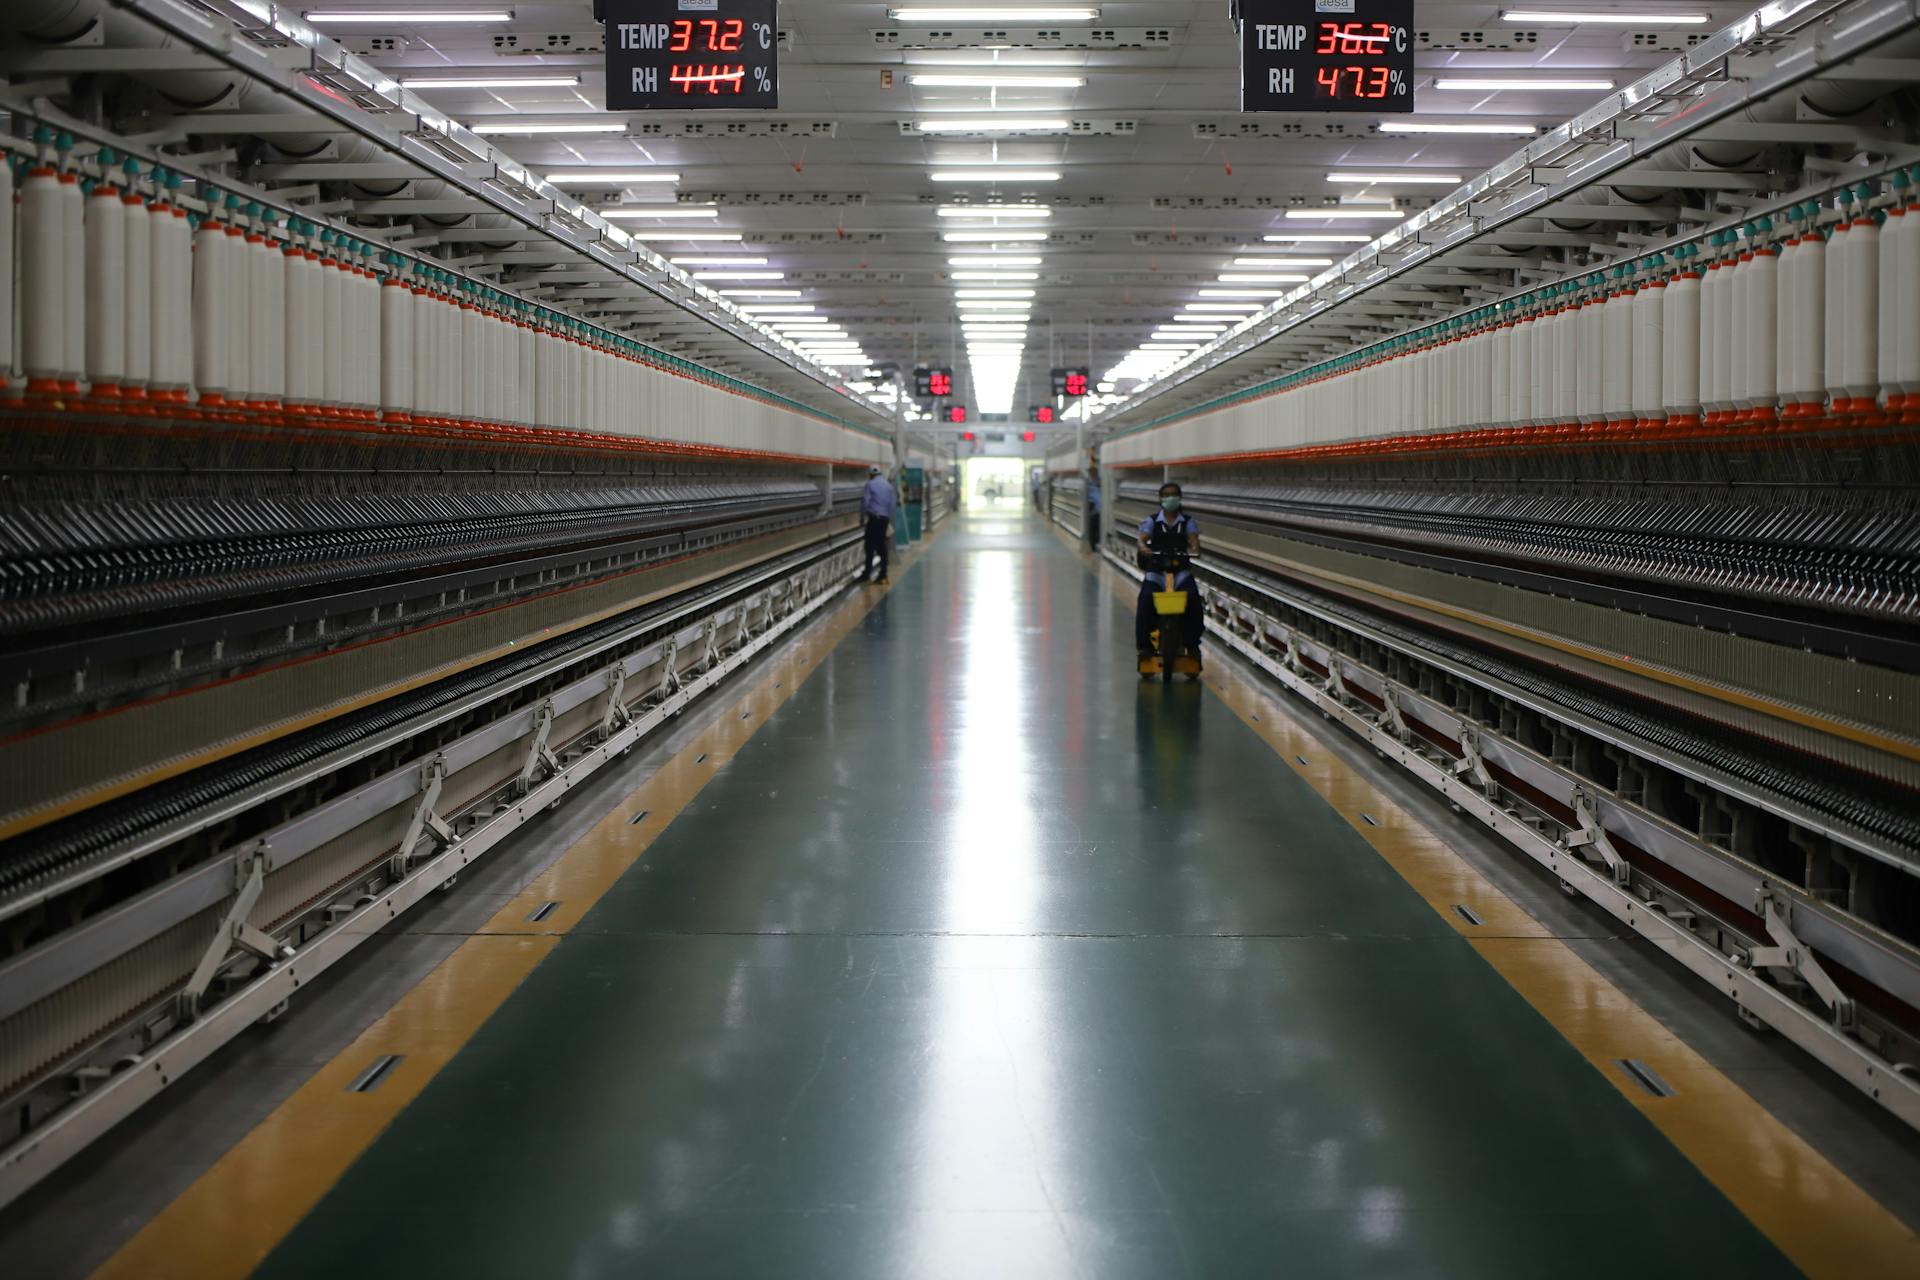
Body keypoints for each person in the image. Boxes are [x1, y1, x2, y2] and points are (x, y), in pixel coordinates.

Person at [1136, 481, 1203, 664]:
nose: (1170, 498)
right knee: (1146, 599)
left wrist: (1195, 548)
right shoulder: (1152, 521)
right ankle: (1144, 646)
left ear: (1179, 498)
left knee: (1192, 598)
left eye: (1173, 495)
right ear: (1160, 499)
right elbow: (1142, 538)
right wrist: (1143, 547)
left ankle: (1192, 644)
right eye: (1166, 495)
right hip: (1157, 570)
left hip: (1179, 570)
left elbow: (1194, 540)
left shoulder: (1188, 522)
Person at [861, 465, 896, 583]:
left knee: (870, 546)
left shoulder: (870, 485)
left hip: (874, 518)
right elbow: (892, 505)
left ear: (870, 475)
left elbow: (866, 502)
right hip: (884, 519)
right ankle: (883, 573)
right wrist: (888, 519)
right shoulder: (888, 486)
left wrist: (863, 517)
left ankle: (867, 573)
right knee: (882, 545)